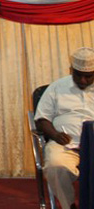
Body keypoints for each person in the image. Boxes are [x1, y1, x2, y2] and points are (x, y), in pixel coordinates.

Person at [35, 47, 94, 209]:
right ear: (70, 70)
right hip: (65, 144)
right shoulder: (56, 88)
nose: (83, 80)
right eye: (78, 75)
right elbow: (41, 119)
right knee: (55, 167)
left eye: (88, 76)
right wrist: (54, 134)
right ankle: (69, 206)